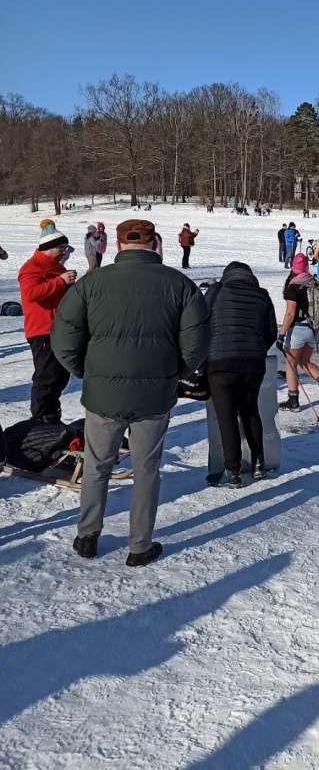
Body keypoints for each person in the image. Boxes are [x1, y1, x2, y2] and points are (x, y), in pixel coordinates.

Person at [51, 219, 210, 567]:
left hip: (104, 395)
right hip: (154, 394)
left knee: (96, 466)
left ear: (118, 246)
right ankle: (139, 545)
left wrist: (88, 373)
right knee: (147, 468)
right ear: (155, 243)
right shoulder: (180, 285)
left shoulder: (92, 283)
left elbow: (62, 337)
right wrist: (173, 375)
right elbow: (197, 343)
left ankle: (87, 536)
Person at [204, 262, 278, 488]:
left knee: (227, 418)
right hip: (253, 364)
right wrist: (255, 350)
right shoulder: (262, 295)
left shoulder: (216, 290)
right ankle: (258, 464)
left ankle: (232, 471)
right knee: (251, 412)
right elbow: (272, 332)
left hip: (221, 364)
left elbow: (201, 324)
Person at [17, 220, 76, 423]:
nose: (64, 252)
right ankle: (41, 421)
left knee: (60, 376)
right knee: (47, 378)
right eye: (62, 248)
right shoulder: (32, 267)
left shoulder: (55, 267)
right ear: (51, 248)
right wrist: (60, 282)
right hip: (42, 330)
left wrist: (67, 286)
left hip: (58, 329)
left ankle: (51, 416)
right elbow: (30, 294)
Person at [277, 253, 319, 411]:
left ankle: (293, 401)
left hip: (298, 330)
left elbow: (290, 314)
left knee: (291, 364)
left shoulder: (293, 287)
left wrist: (282, 335)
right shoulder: (314, 282)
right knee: (304, 362)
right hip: (314, 329)